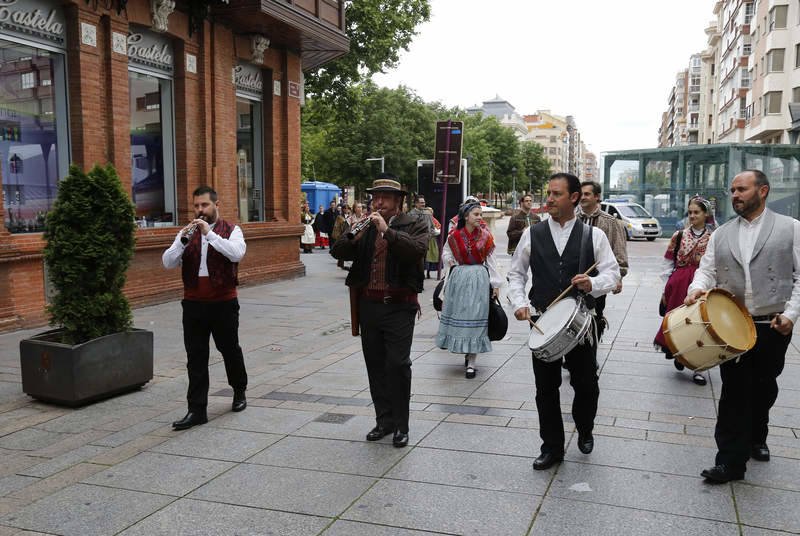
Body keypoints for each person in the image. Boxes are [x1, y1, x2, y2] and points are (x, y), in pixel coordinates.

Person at [685, 169, 800, 484]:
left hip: (773, 325)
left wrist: (791, 314)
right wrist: (696, 288)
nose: (734, 195)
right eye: (732, 190)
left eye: (741, 189)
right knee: (733, 393)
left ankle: (756, 435)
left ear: (763, 191)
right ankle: (729, 462)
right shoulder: (721, 234)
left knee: (764, 388)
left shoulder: (791, 228)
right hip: (732, 325)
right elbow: (706, 270)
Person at [507, 173, 620, 471]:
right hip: (543, 322)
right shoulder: (533, 233)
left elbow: (613, 274)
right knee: (545, 388)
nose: (550, 199)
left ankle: (584, 428)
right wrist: (519, 304)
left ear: (573, 198)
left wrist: (592, 283)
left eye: (556, 194)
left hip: (581, 323)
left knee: (586, 385)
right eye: (548, 193)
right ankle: (552, 447)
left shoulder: (593, 235)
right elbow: (516, 273)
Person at [330, 173, 428, 448]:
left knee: (397, 365)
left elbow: (417, 251)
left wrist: (387, 230)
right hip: (369, 306)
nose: (379, 202)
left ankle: (401, 425)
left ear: (398, 201)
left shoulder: (416, 223)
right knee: (375, 365)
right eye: (376, 197)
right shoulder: (365, 225)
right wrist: (354, 234)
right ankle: (383, 421)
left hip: (399, 306)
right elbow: (337, 252)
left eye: (385, 197)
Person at [162, 186, 248, 430]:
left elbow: (236, 254)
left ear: (216, 204)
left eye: (205, 205)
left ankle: (239, 390)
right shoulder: (186, 232)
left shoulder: (232, 230)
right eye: (197, 206)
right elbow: (168, 262)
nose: (200, 210)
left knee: (229, 349)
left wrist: (209, 234)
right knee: (195, 357)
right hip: (193, 304)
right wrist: (181, 241)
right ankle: (196, 409)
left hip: (223, 303)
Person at [437, 202, 503, 378]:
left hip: (479, 280)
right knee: (462, 316)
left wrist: (496, 284)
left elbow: (491, 261)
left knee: (477, 318)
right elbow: (446, 253)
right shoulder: (454, 236)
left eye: (480, 214)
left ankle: (472, 362)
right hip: (459, 280)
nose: (480, 217)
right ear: (466, 216)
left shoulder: (486, 237)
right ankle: (466, 352)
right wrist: (451, 262)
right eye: (476, 214)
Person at [654, 196, 715, 386]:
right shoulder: (678, 235)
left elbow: (715, 266)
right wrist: (666, 287)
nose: (692, 216)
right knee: (679, 323)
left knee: (701, 326)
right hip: (678, 285)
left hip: (702, 286)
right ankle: (680, 355)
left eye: (696, 212)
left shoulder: (714, 238)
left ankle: (700, 368)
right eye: (690, 212)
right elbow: (667, 262)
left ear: (706, 214)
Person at [578, 181, 629, 341]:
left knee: (595, 315)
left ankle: (590, 354)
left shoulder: (610, 222)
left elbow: (619, 251)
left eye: (587, 194)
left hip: (598, 279)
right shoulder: (573, 219)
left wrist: (618, 277)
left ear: (597, 197)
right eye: (581, 194)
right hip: (574, 277)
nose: (583, 197)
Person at [331, 205, 352, 270]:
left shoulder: (350, 217)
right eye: (345, 208)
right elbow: (336, 227)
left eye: (348, 208)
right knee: (341, 248)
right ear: (343, 209)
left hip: (348, 234)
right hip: (341, 234)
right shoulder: (339, 217)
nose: (346, 210)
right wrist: (337, 236)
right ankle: (341, 262)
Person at [424, 206, 441, 279]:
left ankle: (428, 271)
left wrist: (433, 232)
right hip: (424, 239)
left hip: (432, 241)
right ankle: (424, 271)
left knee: (433, 256)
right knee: (425, 257)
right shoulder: (422, 220)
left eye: (429, 212)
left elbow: (438, 229)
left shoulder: (434, 221)